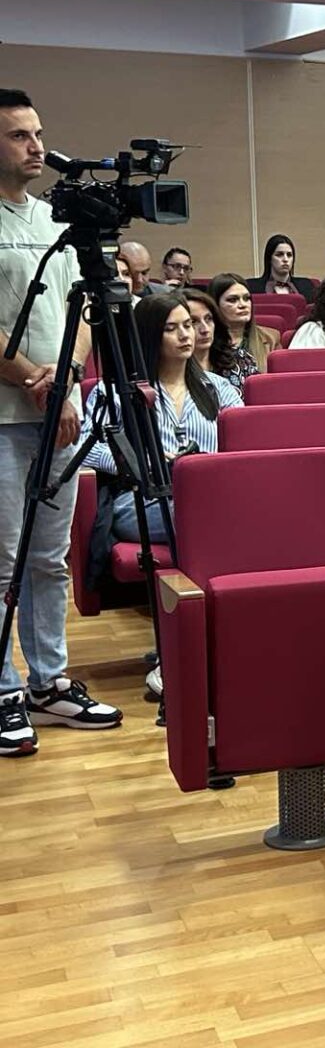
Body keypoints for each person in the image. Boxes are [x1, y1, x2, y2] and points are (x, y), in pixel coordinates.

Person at [0, 87, 122, 753]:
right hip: (6, 416)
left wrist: (66, 377)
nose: (37, 147)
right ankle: (3, 691)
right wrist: (30, 378)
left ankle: (48, 681)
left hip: (59, 410)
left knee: (49, 559)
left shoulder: (55, 220)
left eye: (38, 133)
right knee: (2, 562)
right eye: (19, 135)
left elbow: (84, 313)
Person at [83, 292, 243, 541]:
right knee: (203, 512)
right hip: (144, 498)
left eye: (187, 325)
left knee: (228, 503)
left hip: (210, 488)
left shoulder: (218, 387)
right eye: (171, 329)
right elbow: (85, 446)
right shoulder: (115, 391)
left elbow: (245, 440)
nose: (185, 335)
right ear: (148, 335)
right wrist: (139, 461)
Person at [209, 273, 279, 390]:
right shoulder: (204, 342)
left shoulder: (271, 338)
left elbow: (278, 386)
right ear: (215, 305)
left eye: (246, 298)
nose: (243, 305)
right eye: (233, 300)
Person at [181, 286, 227, 376]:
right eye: (193, 322)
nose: (205, 329)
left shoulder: (239, 360)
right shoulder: (172, 375)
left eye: (208, 319)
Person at [252, 234, 313, 301]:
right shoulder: (252, 287)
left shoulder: (307, 285)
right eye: (279, 255)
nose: (285, 259)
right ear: (269, 259)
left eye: (289, 255)